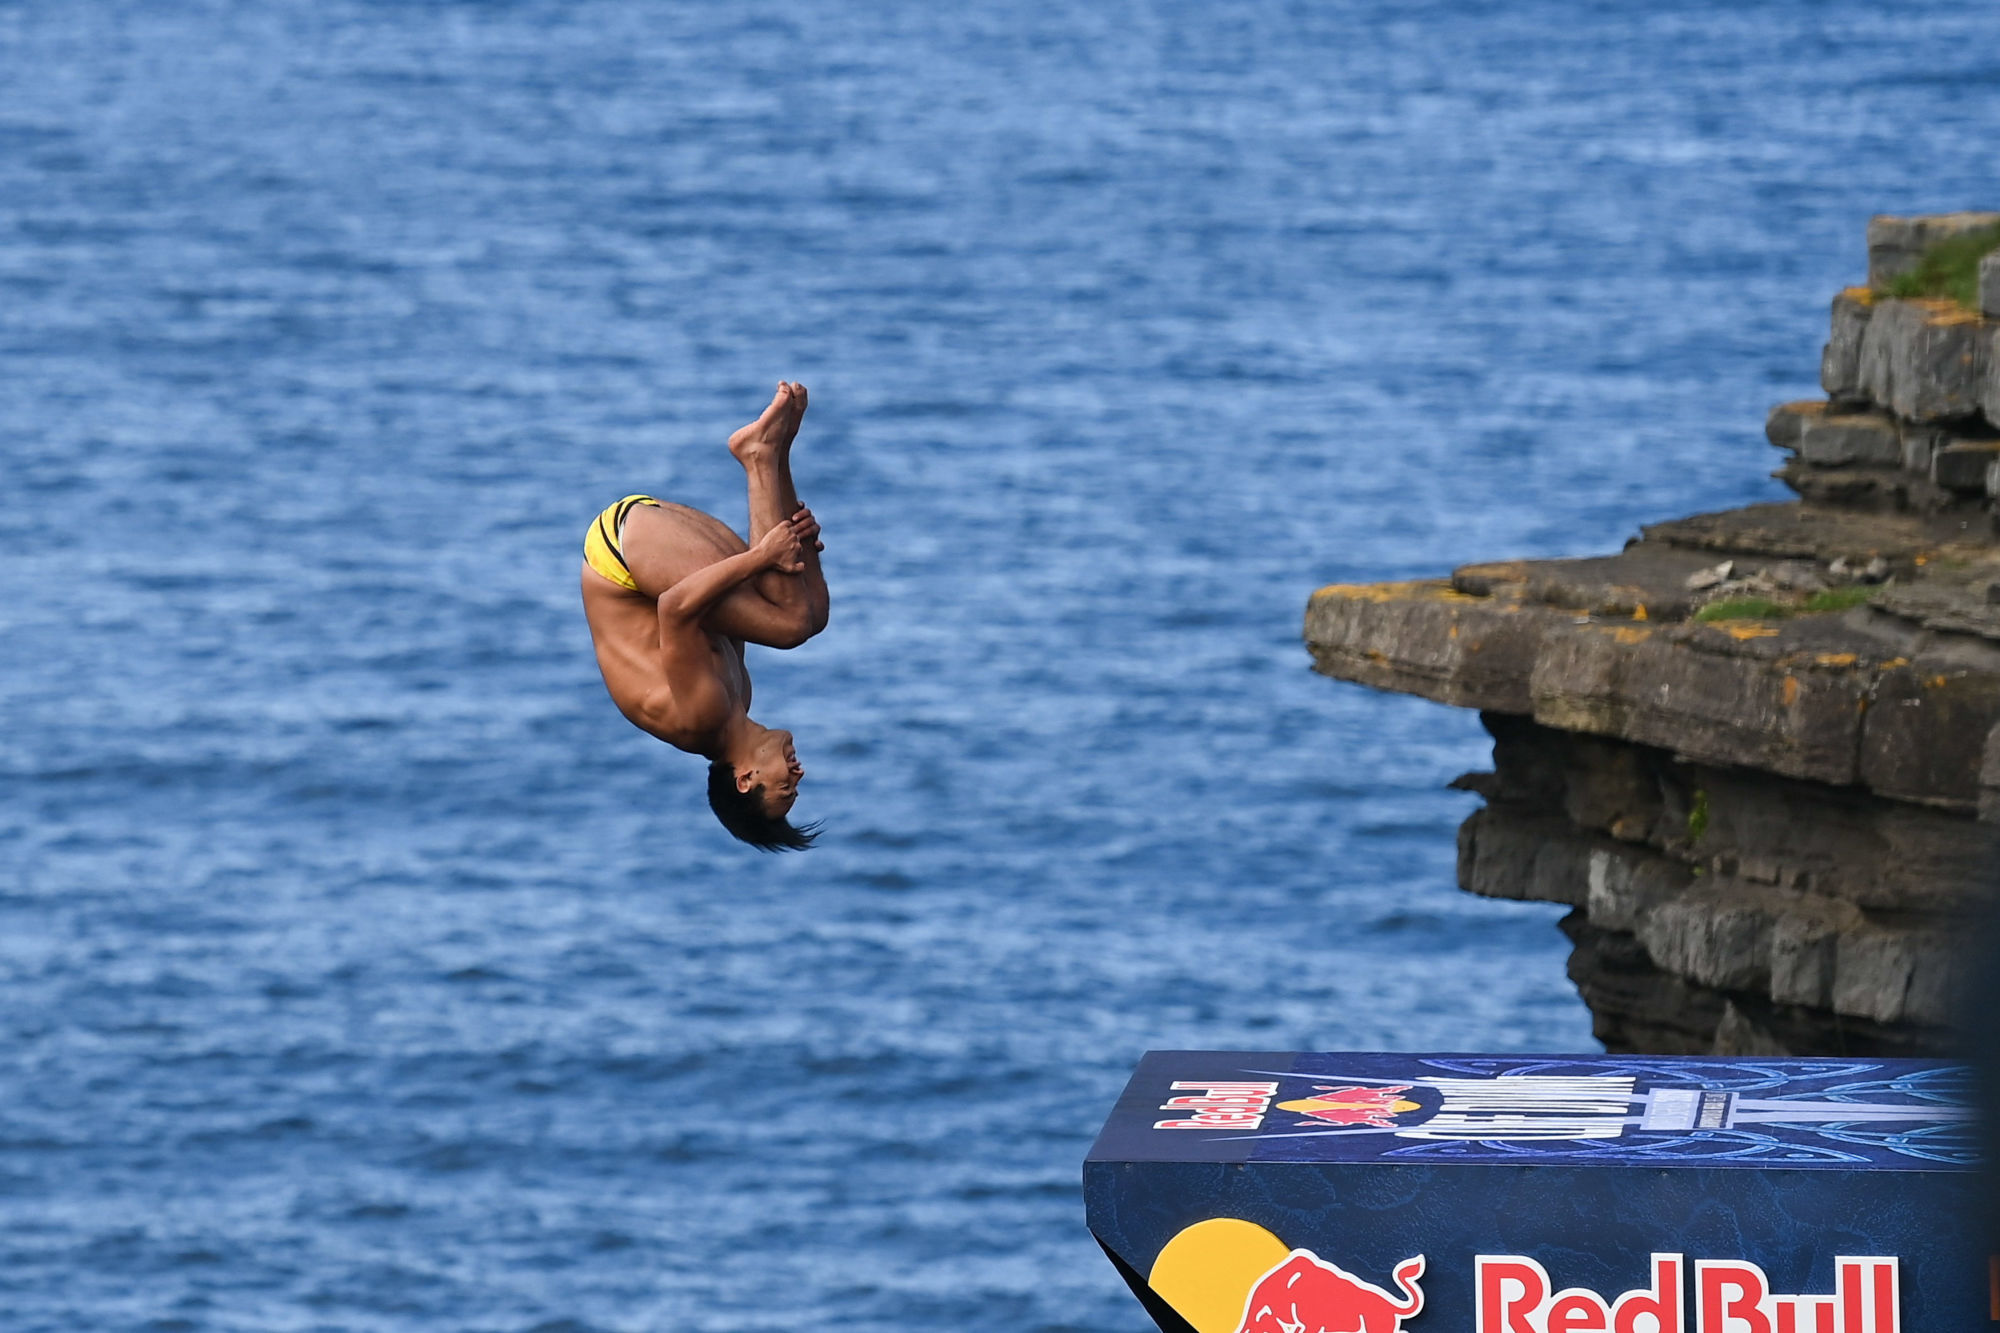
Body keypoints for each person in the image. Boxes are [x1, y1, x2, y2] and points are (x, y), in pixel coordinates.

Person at [580, 382, 829, 849]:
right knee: (808, 614)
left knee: (791, 621)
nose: (798, 773)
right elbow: (733, 601)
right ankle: (776, 457)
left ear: (745, 778)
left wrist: (766, 556)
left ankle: (760, 457)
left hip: (621, 557)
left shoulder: (702, 718)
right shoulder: (740, 700)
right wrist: (794, 549)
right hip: (650, 552)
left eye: (786, 787)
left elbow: (675, 608)